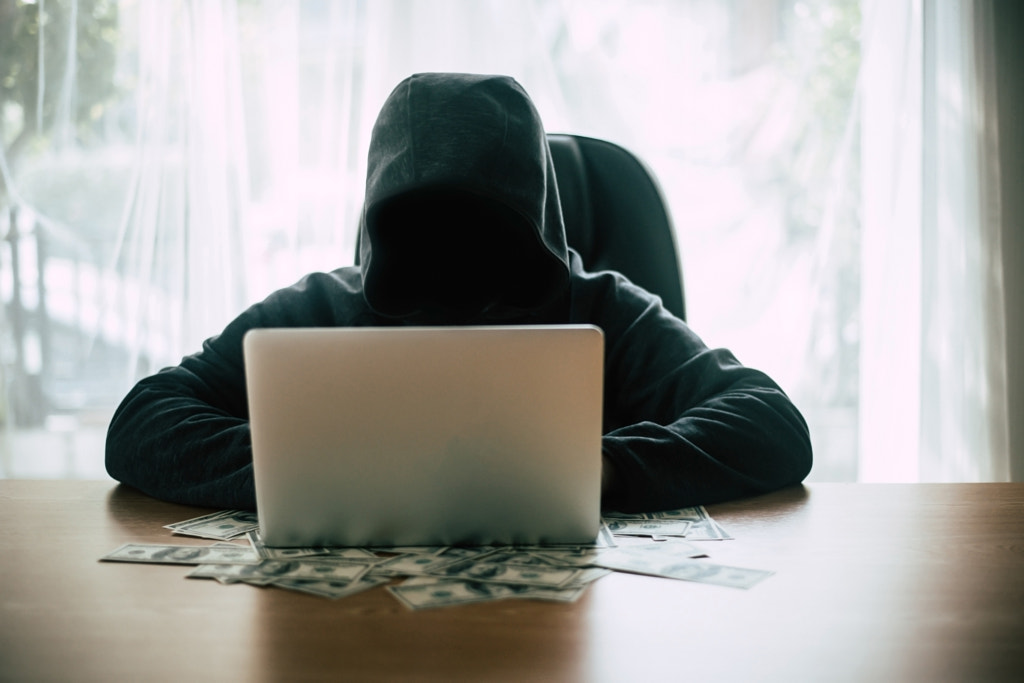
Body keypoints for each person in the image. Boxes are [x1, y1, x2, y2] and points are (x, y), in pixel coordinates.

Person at [105, 72, 813, 514]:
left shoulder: (601, 310)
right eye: (423, 232)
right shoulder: (325, 309)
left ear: (535, 222)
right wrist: (311, 473)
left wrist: (600, 468)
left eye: (482, 233)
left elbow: (772, 422)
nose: (454, 268)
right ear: (379, 231)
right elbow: (141, 423)